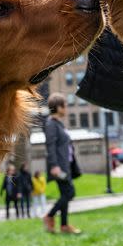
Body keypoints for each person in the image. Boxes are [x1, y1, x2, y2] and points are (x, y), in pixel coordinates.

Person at [43, 93, 82, 234]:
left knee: (65, 194)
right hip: (58, 167)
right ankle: (49, 216)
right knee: (69, 193)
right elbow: (50, 146)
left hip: (66, 165)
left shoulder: (58, 124)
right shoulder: (51, 124)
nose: (66, 108)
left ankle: (64, 226)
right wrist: (54, 166)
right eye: (65, 105)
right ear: (58, 107)